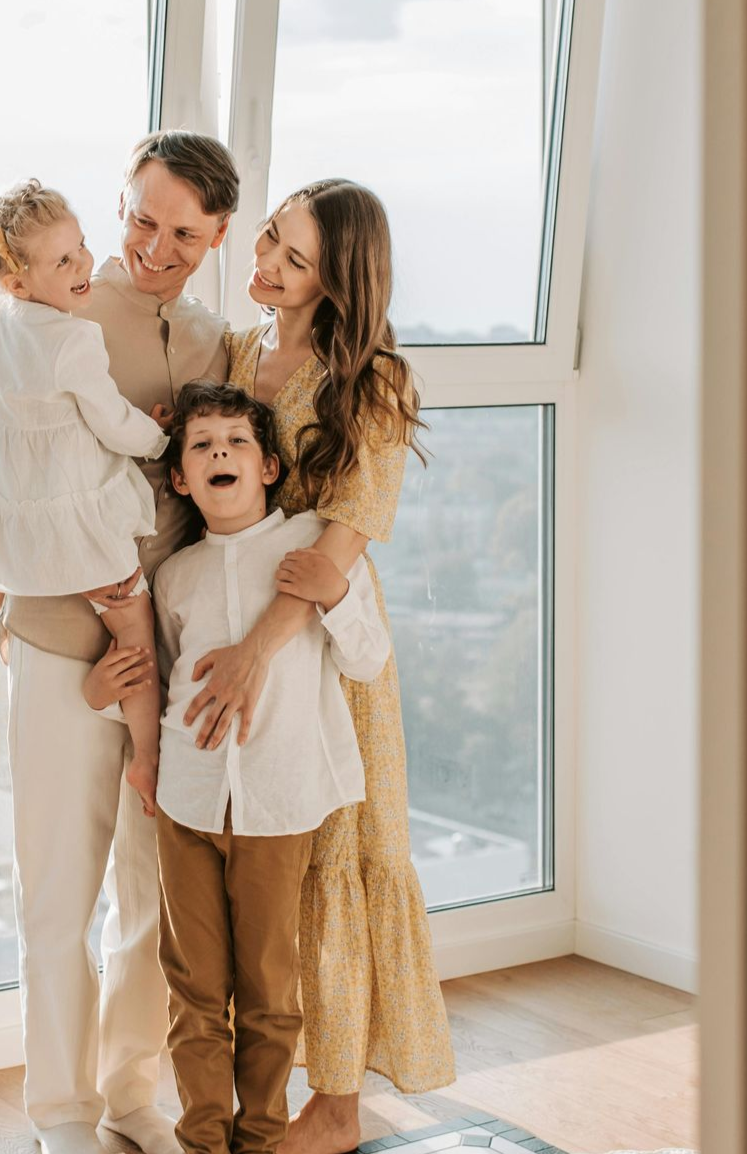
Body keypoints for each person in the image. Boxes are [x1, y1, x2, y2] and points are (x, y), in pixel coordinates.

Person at [0, 131, 240, 1154]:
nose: (156, 245)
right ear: (119, 206)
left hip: (169, 659)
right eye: (142, 218)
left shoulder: (209, 342)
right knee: (56, 888)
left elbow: (212, 486)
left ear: (215, 236)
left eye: (184, 232)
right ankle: (59, 1108)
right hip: (63, 648)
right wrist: (69, 594)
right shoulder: (42, 315)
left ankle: (129, 1094)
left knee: (154, 898)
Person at [212, 179, 456, 1154]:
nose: (266, 263)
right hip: (242, 626)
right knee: (265, 866)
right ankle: (265, 1083)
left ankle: (342, 1103)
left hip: (327, 648)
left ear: (338, 278)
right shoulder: (235, 350)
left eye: (293, 257)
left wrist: (253, 654)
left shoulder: (375, 377)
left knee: (343, 857)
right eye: (270, 238)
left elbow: (337, 551)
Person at [150, 381, 389, 1154]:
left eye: (237, 442)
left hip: (278, 808)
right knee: (192, 990)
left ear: (271, 468)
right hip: (186, 804)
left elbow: (368, 657)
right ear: (182, 478)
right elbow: (161, 679)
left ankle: (258, 1138)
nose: (220, 451)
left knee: (266, 991)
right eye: (202, 445)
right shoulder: (174, 576)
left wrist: (337, 594)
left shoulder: (314, 544)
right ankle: (202, 1137)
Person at [0, 180, 167, 815]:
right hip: (72, 506)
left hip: (8, 494)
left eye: (80, 249)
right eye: (63, 261)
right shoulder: (76, 341)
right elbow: (110, 422)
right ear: (19, 282)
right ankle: (149, 756)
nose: (82, 267)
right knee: (133, 621)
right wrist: (160, 439)